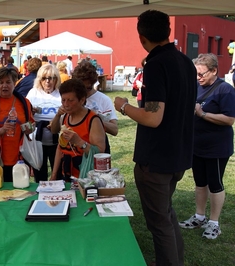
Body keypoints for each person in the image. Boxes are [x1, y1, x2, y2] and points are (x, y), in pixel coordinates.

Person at [113, 10, 197, 266]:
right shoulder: (186, 61)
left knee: (160, 223)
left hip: (157, 160)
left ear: (142, 37)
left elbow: (153, 117)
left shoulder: (156, 64)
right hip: (178, 155)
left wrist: (123, 106)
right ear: (168, 31)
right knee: (166, 215)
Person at [179, 53, 235, 240]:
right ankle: (199, 216)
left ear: (214, 71)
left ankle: (214, 223)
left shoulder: (225, 90)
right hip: (197, 145)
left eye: (202, 74)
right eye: (196, 74)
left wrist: (202, 114)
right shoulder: (196, 86)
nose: (198, 78)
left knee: (215, 184)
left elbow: (229, 119)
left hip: (217, 147)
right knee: (199, 182)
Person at [50, 79, 106, 181]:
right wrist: (54, 175)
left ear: (82, 100)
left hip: (85, 177)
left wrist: (79, 142)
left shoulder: (93, 120)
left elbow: (100, 153)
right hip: (65, 173)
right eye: (63, 100)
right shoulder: (65, 116)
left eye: (70, 100)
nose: (66, 104)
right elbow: (60, 147)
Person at [72, 60, 118, 154]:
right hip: (75, 149)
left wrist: (95, 119)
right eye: (80, 87)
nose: (84, 91)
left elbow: (114, 130)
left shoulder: (103, 99)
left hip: (97, 147)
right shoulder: (71, 99)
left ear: (93, 83)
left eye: (88, 88)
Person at [26, 64, 62, 182]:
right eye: (44, 78)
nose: (48, 82)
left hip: (58, 140)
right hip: (38, 140)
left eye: (51, 78)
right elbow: (25, 115)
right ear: (39, 80)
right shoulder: (33, 93)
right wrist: (31, 112)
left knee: (58, 173)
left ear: (56, 79)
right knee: (39, 174)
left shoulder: (60, 94)